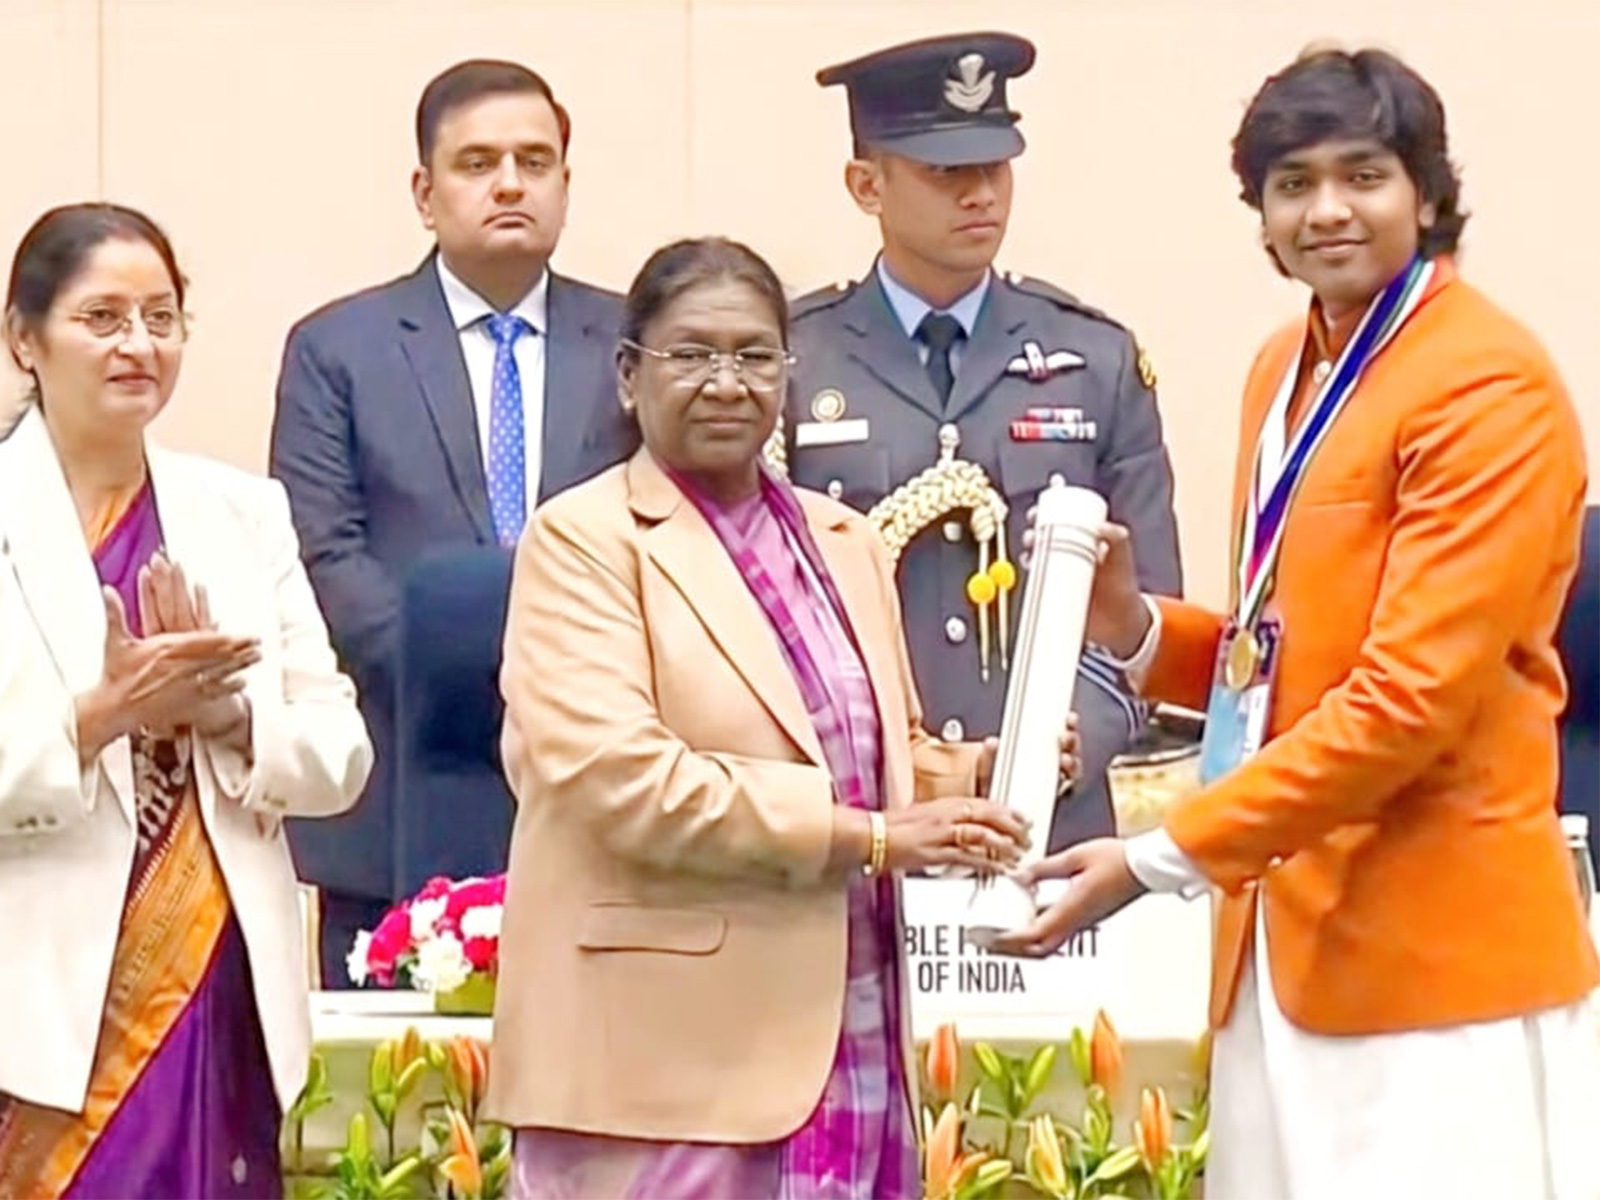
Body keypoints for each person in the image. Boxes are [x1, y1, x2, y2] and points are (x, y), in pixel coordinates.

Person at [995, 49, 1600, 1199]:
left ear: (1423, 193)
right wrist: (1133, 625)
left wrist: (1157, 858)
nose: (1325, 210)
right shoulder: (1287, 364)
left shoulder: (1486, 382)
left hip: (1431, 971)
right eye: (1292, 183)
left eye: (1361, 176)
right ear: (1261, 216)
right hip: (1275, 947)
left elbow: (1406, 701)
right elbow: (1278, 655)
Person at [485, 238, 1074, 1200]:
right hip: (661, 1065)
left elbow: (863, 756)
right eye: (693, 354)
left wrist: (977, 782)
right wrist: (875, 837)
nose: (727, 382)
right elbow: (619, 781)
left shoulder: (842, 539)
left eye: (756, 356)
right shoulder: (581, 540)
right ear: (631, 377)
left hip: (848, 1028)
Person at [0, 203, 371, 1198]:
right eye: (103, 318)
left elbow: (340, 749)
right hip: (35, 997)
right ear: (22, 338)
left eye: (160, 318)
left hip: (212, 977)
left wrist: (229, 717)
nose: (139, 346)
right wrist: (96, 719)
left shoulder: (240, 512)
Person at [269, 59, 637, 982]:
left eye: (534, 161)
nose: (510, 183)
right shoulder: (337, 350)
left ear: (564, 183)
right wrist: (486, 669)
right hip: (397, 777)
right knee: (398, 1113)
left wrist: (572, 684)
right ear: (425, 194)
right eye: (478, 163)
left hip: (602, 776)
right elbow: (325, 553)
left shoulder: (636, 341)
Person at [785, 32, 1182, 851]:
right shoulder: (794, 360)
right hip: (874, 817)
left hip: (1051, 823)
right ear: (868, 184)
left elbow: (1146, 612)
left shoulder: (1094, 358)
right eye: (945, 173)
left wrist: (1074, 736)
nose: (979, 196)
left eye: (994, 169)